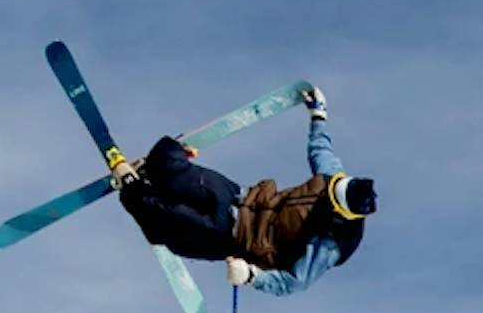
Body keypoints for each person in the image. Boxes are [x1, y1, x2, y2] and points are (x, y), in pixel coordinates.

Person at [117, 85, 377, 295]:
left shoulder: (330, 244)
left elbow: (294, 283)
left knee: (164, 218)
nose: (327, 193)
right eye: (332, 189)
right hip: (236, 197)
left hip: (230, 238)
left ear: (341, 212)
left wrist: (252, 276)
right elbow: (321, 149)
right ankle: (150, 170)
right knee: (166, 159)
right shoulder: (333, 179)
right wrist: (318, 115)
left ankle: (131, 188)